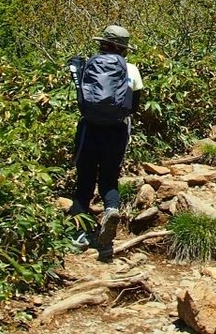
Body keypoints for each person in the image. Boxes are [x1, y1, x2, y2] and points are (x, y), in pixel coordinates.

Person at [68, 25, 144, 258]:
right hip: (117, 131)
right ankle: (111, 209)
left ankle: (78, 236)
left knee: (84, 183)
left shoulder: (87, 65)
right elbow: (135, 106)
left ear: (102, 44)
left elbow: (81, 98)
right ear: (123, 48)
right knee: (109, 180)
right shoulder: (131, 69)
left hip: (89, 130)